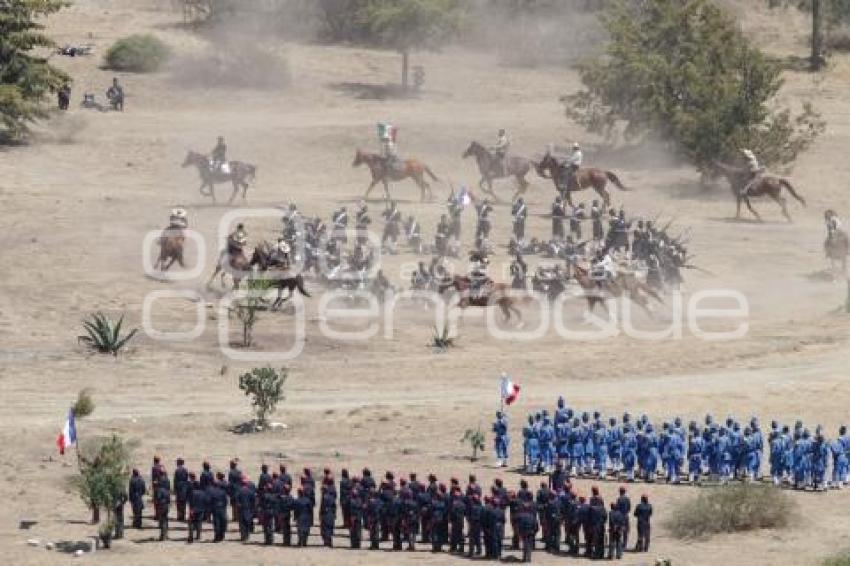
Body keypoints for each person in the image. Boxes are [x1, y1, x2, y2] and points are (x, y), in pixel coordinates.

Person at [208, 473, 228, 542]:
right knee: (223, 522)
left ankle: (217, 537)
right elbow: (225, 501)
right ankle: (222, 536)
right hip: (222, 507)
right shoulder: (223, 492)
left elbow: (210, 501)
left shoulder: (212, 492)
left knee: (217, 523)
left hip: (215, 508)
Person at [187, 475, 208, 543]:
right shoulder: (203, 493)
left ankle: (191, 536)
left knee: (191, 523)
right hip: (201, 510)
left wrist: (191, 509)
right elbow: (205, 502)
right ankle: (198, 536)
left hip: (194, 510)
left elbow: (191, 502)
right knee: (199, 523)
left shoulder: (193, 493)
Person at [154, 475, 171, 541]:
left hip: (161, 506)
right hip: (166, 506)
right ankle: (166, 535)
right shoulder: (166, 491)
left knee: (162, 521)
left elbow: (158, 498)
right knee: (166, 520)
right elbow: (169, 500)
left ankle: (162, 536)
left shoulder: (159, 490)